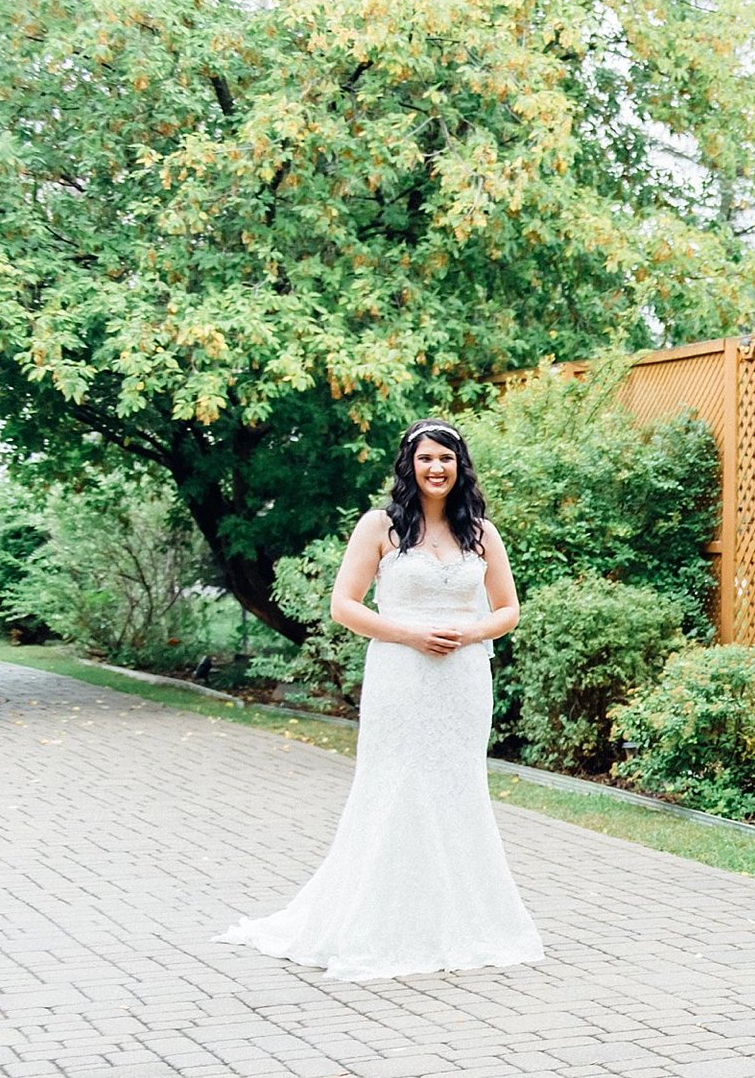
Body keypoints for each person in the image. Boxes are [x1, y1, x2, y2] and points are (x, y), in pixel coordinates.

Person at [218, 420, 543, 980]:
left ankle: (462, 922)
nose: (436, 468)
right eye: (426, 459)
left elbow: (507, 609)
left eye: (446, 458)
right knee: (395, 785)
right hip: (401, 673)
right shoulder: (381, 527)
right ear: (408, 466)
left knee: (455, 787)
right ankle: (378, 923)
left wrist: (468, 633)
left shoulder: (481, 533)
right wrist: (410, 633)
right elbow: (345, 605)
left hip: (463, 679)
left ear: (460, 465)